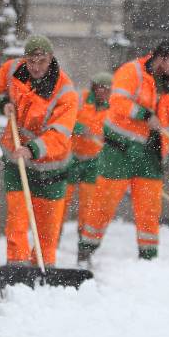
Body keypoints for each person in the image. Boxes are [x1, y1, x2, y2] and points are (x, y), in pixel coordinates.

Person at [79, 40, 169, 263]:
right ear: (161, 58)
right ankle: (86, 250)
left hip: (152, 156)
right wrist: (145, 115)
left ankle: (148, 259)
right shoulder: (132, 72)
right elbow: (117, 101)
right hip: (118, 150)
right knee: (103, 204)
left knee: (149, 210)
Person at [0, 35, 78, 267]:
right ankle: (16, 268)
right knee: (17, 219)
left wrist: (32, 148)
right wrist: (2, 103)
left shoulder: (65, 92)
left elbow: (59, 133)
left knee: (47, 227)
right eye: (31, 61)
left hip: (52, 166)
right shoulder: (12, 70)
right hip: (16, 160)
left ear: (51, 59)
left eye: (42, 61)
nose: (36, 67)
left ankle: (44, 269)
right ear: (25, 59)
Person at [63, 72, 112, 236]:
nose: (104, 93)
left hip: (94, 160)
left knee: (88, 204)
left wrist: (106, 138)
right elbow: (66, 118)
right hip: (72, 156)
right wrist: (80, 129)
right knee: (63, 199)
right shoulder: (80, 99)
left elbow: (113, 132)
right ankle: (53, 239)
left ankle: (83, 243)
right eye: (102, 89)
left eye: (108, 90)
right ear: (94, 87)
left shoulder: (112, 108)